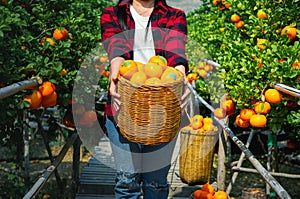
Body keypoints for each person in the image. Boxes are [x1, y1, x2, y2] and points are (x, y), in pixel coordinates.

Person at [100, 0, 189, 198]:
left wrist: (181, 77)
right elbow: (116, 47)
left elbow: (176, 51)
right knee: (126, 181)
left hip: (163, 108)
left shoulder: (174, 16)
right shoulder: (113, 14)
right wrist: (115, 74)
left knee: (156, 183)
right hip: (122, 105)